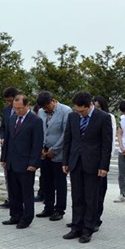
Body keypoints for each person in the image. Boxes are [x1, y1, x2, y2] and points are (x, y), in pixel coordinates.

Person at [62, 92, 113, 243]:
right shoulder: (72, 117)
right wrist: (65, 162)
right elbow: (68, 140)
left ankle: (87, 229)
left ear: (89, 105)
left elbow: (106, 144)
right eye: (77, 110)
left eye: (82, 111)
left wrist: (104, 166)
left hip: (93, 163)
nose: (80, 114)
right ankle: (76, 226)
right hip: (75, 162)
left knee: (91, 198)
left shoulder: (103, 117)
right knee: (77, 196)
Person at [0, 94, 43, 229]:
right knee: (13, 191)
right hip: (11, 162)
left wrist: (34, 163)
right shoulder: (12, 119)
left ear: (27, 105)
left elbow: (37, 144)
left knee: (26, 193)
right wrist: (4, 158)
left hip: (26, 163)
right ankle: (15, 215)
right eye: (15, 108)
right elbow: (7, 141)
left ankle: (26, 218)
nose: (17, 111)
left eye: (20, 108)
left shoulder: (35, 121)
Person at [35, 91, 71, 221]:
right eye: (43, 107)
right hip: (44, 153)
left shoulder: (66, 111)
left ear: (53, 101)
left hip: (59, 153)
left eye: (47, 106)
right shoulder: (40, 112)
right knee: (46, 181)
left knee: (60, 182)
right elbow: (41, 129)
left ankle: (59, 209)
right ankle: (48, 206)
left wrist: (54, 149)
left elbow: (66, 133)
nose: (45, 109)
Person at [92, 96, 117, 231]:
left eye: (98, 107)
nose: (96, 109)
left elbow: (109, 141)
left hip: (101, 160)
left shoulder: (108, 117)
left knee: (99, 192)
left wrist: (105, 162)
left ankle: (96, 218)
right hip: (89, 160)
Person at [0, 87, 18, 209]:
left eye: (11, 101)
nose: (9, 104)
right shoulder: (6, 110)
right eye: (7, 101)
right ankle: (11, 198)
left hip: (19, 149)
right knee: (8, 175)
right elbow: (3, 127)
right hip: (7, 148)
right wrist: (3, 137)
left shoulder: (24, 110)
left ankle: (18, 200)